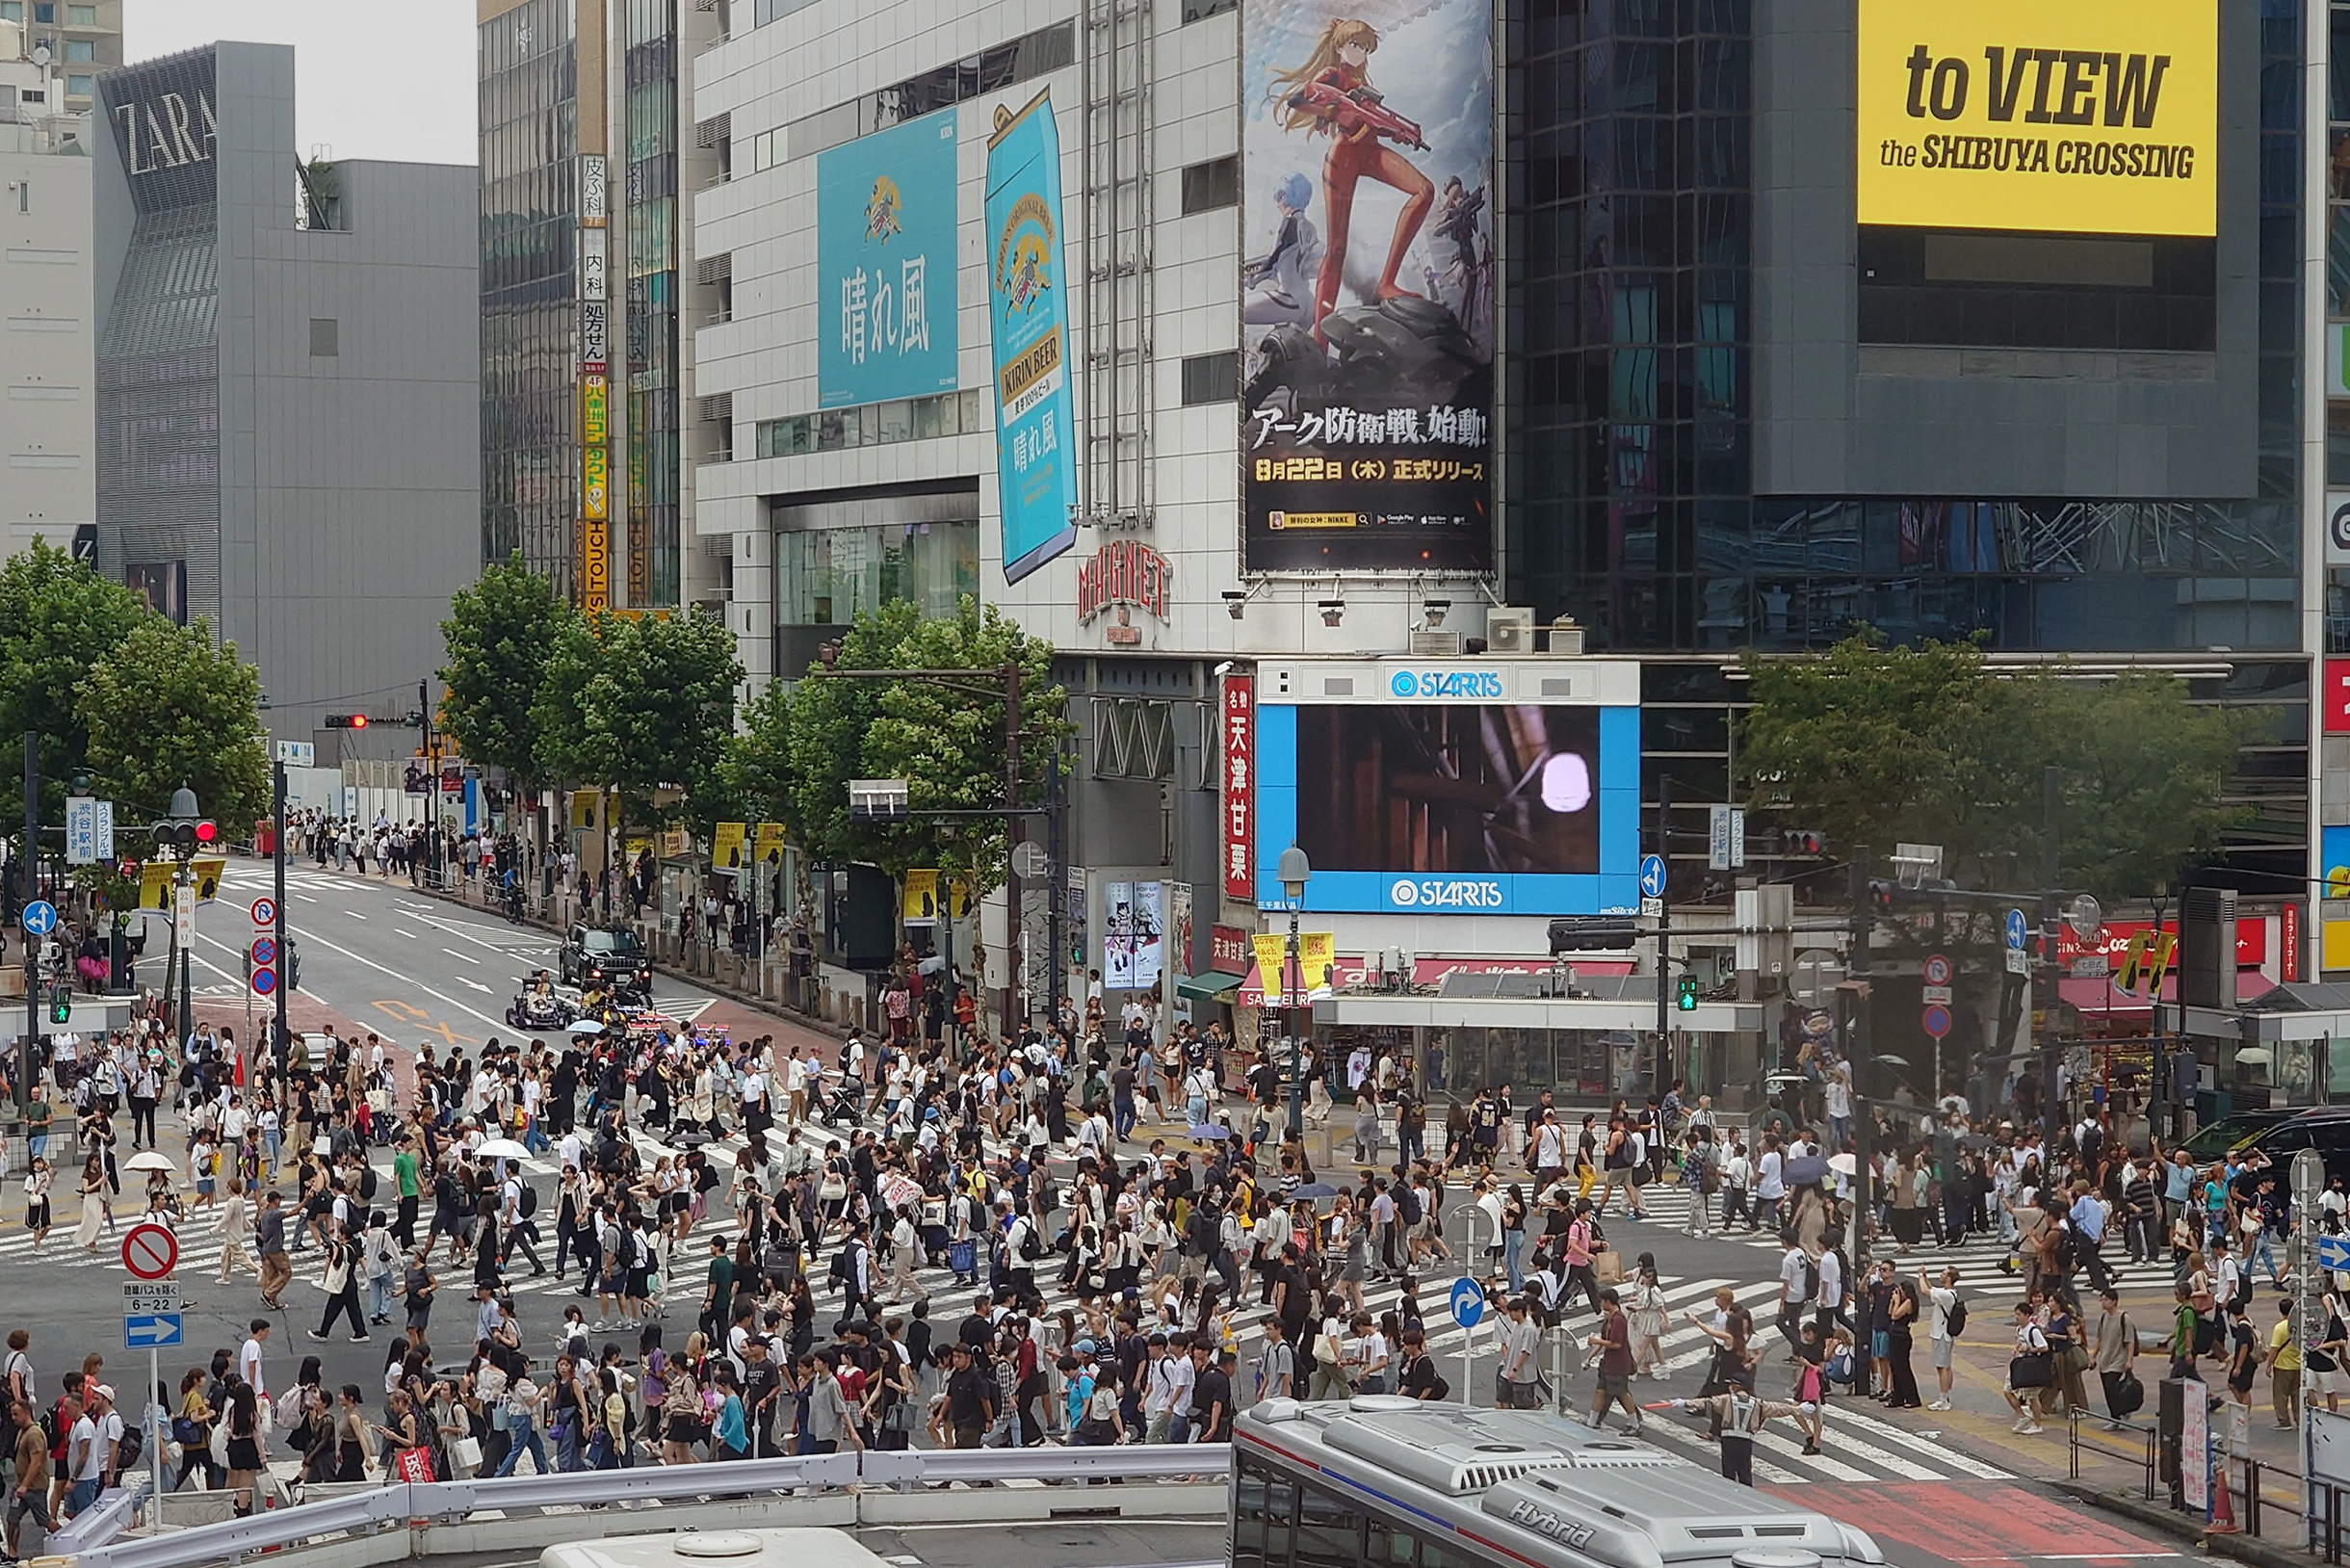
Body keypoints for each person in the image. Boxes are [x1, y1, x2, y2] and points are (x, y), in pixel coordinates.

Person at [1662, 1389, 1815, 1486]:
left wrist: (1685, 1403)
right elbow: (1777, 1408)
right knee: (1744, 1472)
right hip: (1745, 1440)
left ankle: (1730, 1496)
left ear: (1734, 1387)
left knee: (1728, 1471)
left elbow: (1707, 1402)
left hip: (1728, 1438)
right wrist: (1797, 1408)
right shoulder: (1757, 1403)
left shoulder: (1727, 1399)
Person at [1583, 1288, 1641, 1435]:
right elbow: (1605, 1341)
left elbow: (1616, 1344)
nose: (1601, 1304)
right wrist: (1590, 1357)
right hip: (1608, 1363)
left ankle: (1634, 1424)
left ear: (1608, 1302)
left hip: (1618, 1364)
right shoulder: (1610, 1319)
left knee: (1622, 1393)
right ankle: (1592, 1422)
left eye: (1602, 1301)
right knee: (1600, 1391)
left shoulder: (1618, 1320)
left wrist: (1597, 1340)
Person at [2003, 1301, 2051, 1435]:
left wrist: (2029, 1349)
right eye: (2016, 1314)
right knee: (2007, 1390)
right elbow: (2018, 1343)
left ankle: (2037, 1425)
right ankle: (2022, 1416)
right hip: (2020, 1364)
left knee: (2032, 1397)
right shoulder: (2019, 1329)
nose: (2017, 1317)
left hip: (2031, 1367)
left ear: (2027, 1315)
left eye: (2019, 1315)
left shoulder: (2034, 1331)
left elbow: (2044, 1347)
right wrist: (2017, 1349)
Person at [2094, 1288, 2138, 1431]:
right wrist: (2093, 1356)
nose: (2103, 1302)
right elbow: (2099, 1338)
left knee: (2112, 1387)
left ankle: (2117, 1416)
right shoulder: (2103, 1317)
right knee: (2108, 1390)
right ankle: (2117, 1416)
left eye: (2106, 1299)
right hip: (2105, 1359)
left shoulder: (2124, 1318)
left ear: (2114, 1301)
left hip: (2118, 1359)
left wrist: (2129, 1360)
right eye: (2102, 1299)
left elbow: (2130, 1341)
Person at [1921, 1266, 1960, 1411]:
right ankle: (1946, 1396)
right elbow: (1932, 1289)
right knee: (1946, 1366)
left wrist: (1919, 1275)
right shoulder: (1947, 1293)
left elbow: (1925, 1291)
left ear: (1949, 1278)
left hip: (1941, 1334)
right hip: (1944, 1334)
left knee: (1942, 1367)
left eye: (1944, 1273)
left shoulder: (1947, 1295)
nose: (1941, 1275)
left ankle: (1943, 1400)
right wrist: (1925, 1277)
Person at [2269, 1299, 2303, 1431]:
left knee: (2281, 1395)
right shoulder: (2300, 1324)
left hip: (2283, 1366)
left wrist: (2268, 1364)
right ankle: (2299, 1419)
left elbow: (2274, 1348)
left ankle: (2284, 1421)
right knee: (2297, 1395)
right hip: (2298, 1364)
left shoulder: (2280, 1328)